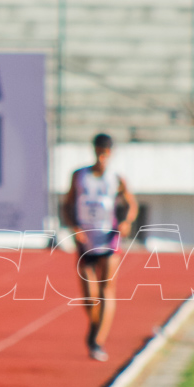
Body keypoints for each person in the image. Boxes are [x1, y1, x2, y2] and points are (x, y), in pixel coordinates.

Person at [62, 133, 138, 363]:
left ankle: (97, 340)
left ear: (111, 153)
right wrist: (74, 227)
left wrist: (126, 222)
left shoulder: (117, 178)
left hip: (109, 237)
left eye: (106, 152)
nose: (102, 156)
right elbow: (67, 204)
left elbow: (131, 204)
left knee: (107, 289)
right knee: (89, 296)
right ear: (94, 150)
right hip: (86, 239)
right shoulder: (79, 176)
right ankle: (96, 325)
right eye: (99, 151)